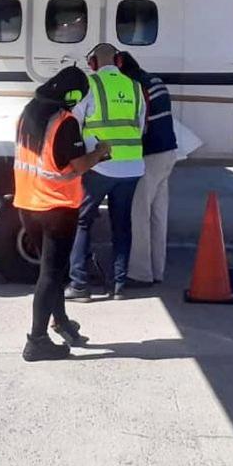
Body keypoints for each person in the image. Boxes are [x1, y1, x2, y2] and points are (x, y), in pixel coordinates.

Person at [13, 66, 111, 362]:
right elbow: (77, 166)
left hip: (27, 204)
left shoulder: (27, 114)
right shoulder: (64, 122)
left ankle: (61, 322)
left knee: (51, 272)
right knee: (52, 274)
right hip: (57, 209)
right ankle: (36, 340)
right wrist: (100, 152)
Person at [66, 43, 146, 301]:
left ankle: (79, 284)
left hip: (100, 165)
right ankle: (118, 285)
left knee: (82, 221)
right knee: (122, 225)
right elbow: (141, 126)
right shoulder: (134, 87)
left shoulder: (90, 85)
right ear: (119, 61)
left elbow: (73, 122)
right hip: (132, 166)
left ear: (92, 63)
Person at [117, 52, 178, 286]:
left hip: (151, 156)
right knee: (158, 215)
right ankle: (157, 270)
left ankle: (140, 273)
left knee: (139, 214)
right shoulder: (155, 81)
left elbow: (140, 127)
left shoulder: (137, 87)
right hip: (169, 152)